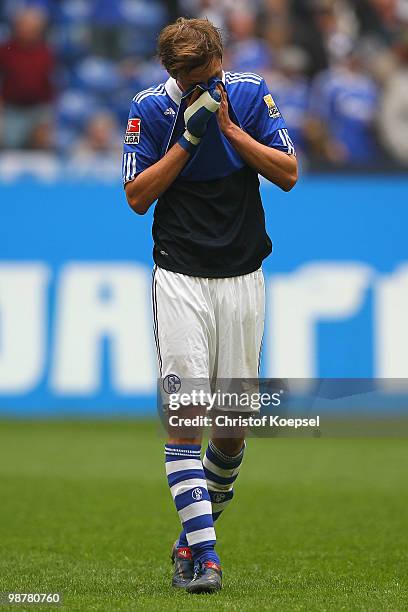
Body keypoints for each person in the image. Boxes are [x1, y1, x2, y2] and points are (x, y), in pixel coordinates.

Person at [122, 17, 297, 594]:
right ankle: (208, 558)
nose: (210, 86)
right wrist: (186, 142)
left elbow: (289, 173)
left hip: (244, 276)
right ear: (174, 73)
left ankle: (189, 539)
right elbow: (137, 197)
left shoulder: (246, 95)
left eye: (215, 74)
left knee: (232, 432)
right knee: (186, 419)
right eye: (198, 80)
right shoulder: (149, 110)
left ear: (222, 59)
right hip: (180, 276)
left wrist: (227, 131)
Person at [0, 6, 55, 150]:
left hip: (39, 107)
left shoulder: (46, 51)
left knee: (43, 144)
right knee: (10, 146)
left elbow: (53, 79)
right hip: (13, 108)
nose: (27, 30)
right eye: (24, 26)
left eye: (32, 27)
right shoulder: (6, 50)